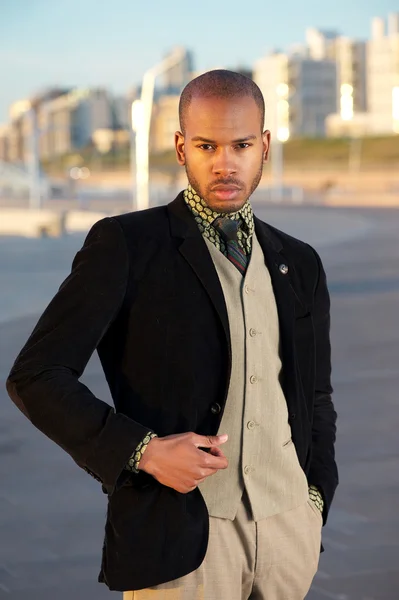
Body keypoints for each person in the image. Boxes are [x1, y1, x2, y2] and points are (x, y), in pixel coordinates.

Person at [6, 70, 338, 599]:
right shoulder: (126, 245)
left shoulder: (299, 263)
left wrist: (314, 500)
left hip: (287, 534)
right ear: (182, 148)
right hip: (183, 542)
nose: (225, 163)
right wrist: (144, 451)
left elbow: (314, 393)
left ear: (265, 146)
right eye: (207, 145)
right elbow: (36, 377)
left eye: (242, 145)